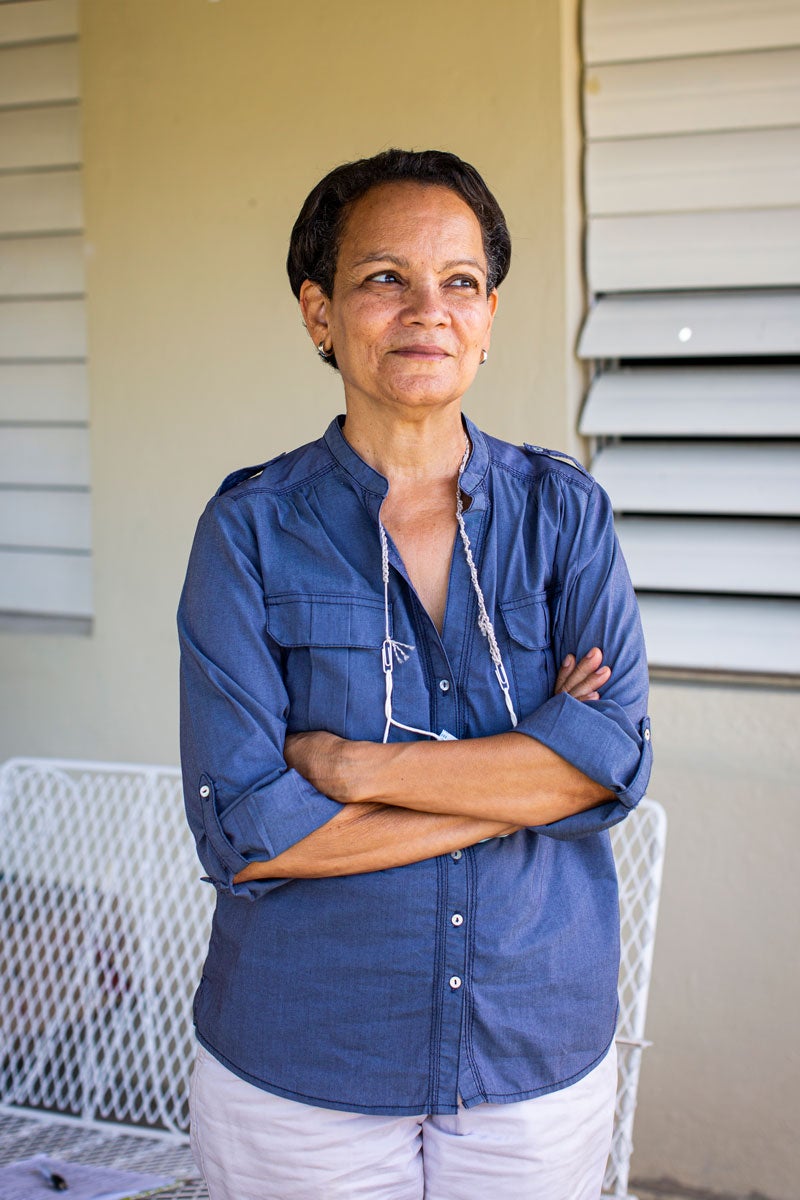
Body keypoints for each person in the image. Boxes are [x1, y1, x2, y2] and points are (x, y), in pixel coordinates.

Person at [178, 148, 652, 1200]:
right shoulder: (250, 532)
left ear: (486, 318)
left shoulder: (563, 515)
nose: (425, 310)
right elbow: (245, 831)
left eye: (460, 282)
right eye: (383, 278)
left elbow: (613, 765)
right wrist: (528, 786)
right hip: (303, 1063)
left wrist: (349, 767)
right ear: (319, 312)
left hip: (529, 1052)